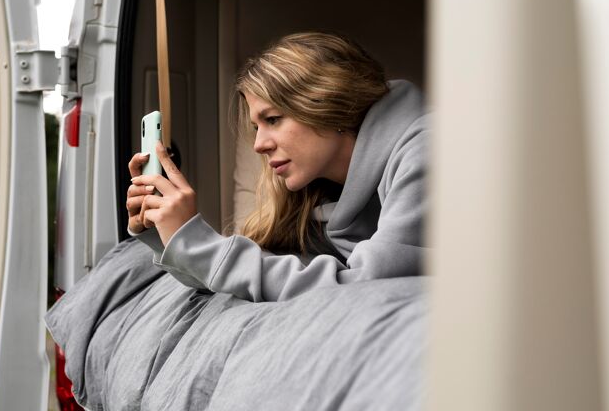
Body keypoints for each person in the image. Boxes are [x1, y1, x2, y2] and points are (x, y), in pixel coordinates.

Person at [126, 32, 428, 302]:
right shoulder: (320, 195)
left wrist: (200, 245)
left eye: (273, 119)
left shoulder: (428, 151)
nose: (259, 145)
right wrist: (169, 234)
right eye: (256, 127)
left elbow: (367, 289)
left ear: (330, 104)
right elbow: (271, 278)